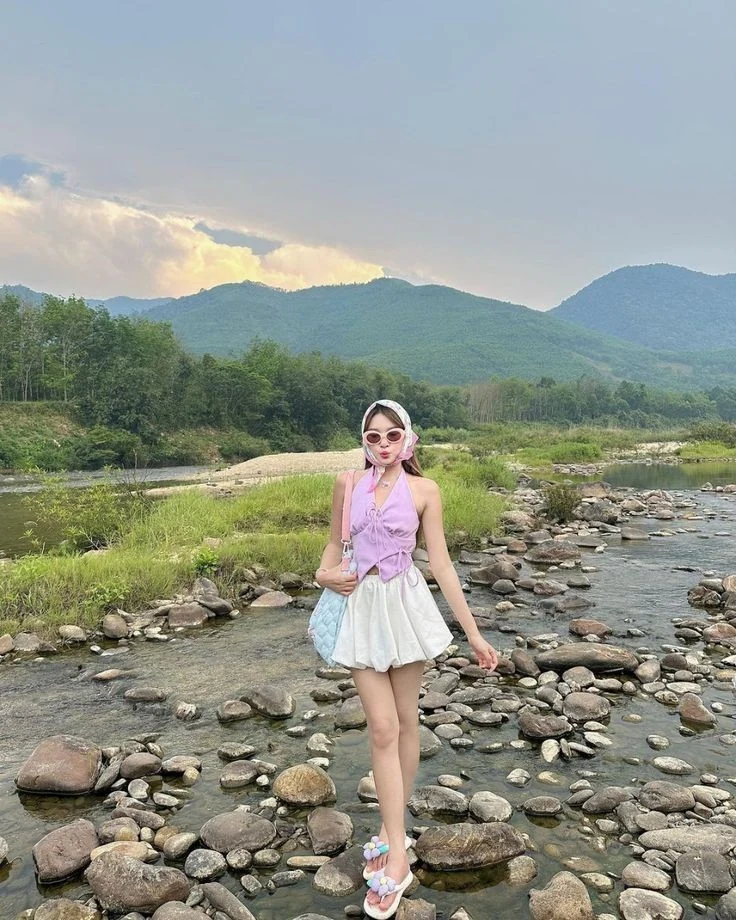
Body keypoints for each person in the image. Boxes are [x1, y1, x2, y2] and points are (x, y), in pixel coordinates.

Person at [315, 399, 499, 919]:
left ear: (408, 439)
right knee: (381, 728)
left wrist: (475, 635)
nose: (382, 445)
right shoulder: (347, 484)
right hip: (361, 607)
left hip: (406, 603)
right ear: (363, 441)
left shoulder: (425, 491)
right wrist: (322, 576)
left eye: (391, 436)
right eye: (372, 437)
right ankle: (398, 852)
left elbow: (440, 562)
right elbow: (333, 547)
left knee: (406, 721)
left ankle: (391, 831)